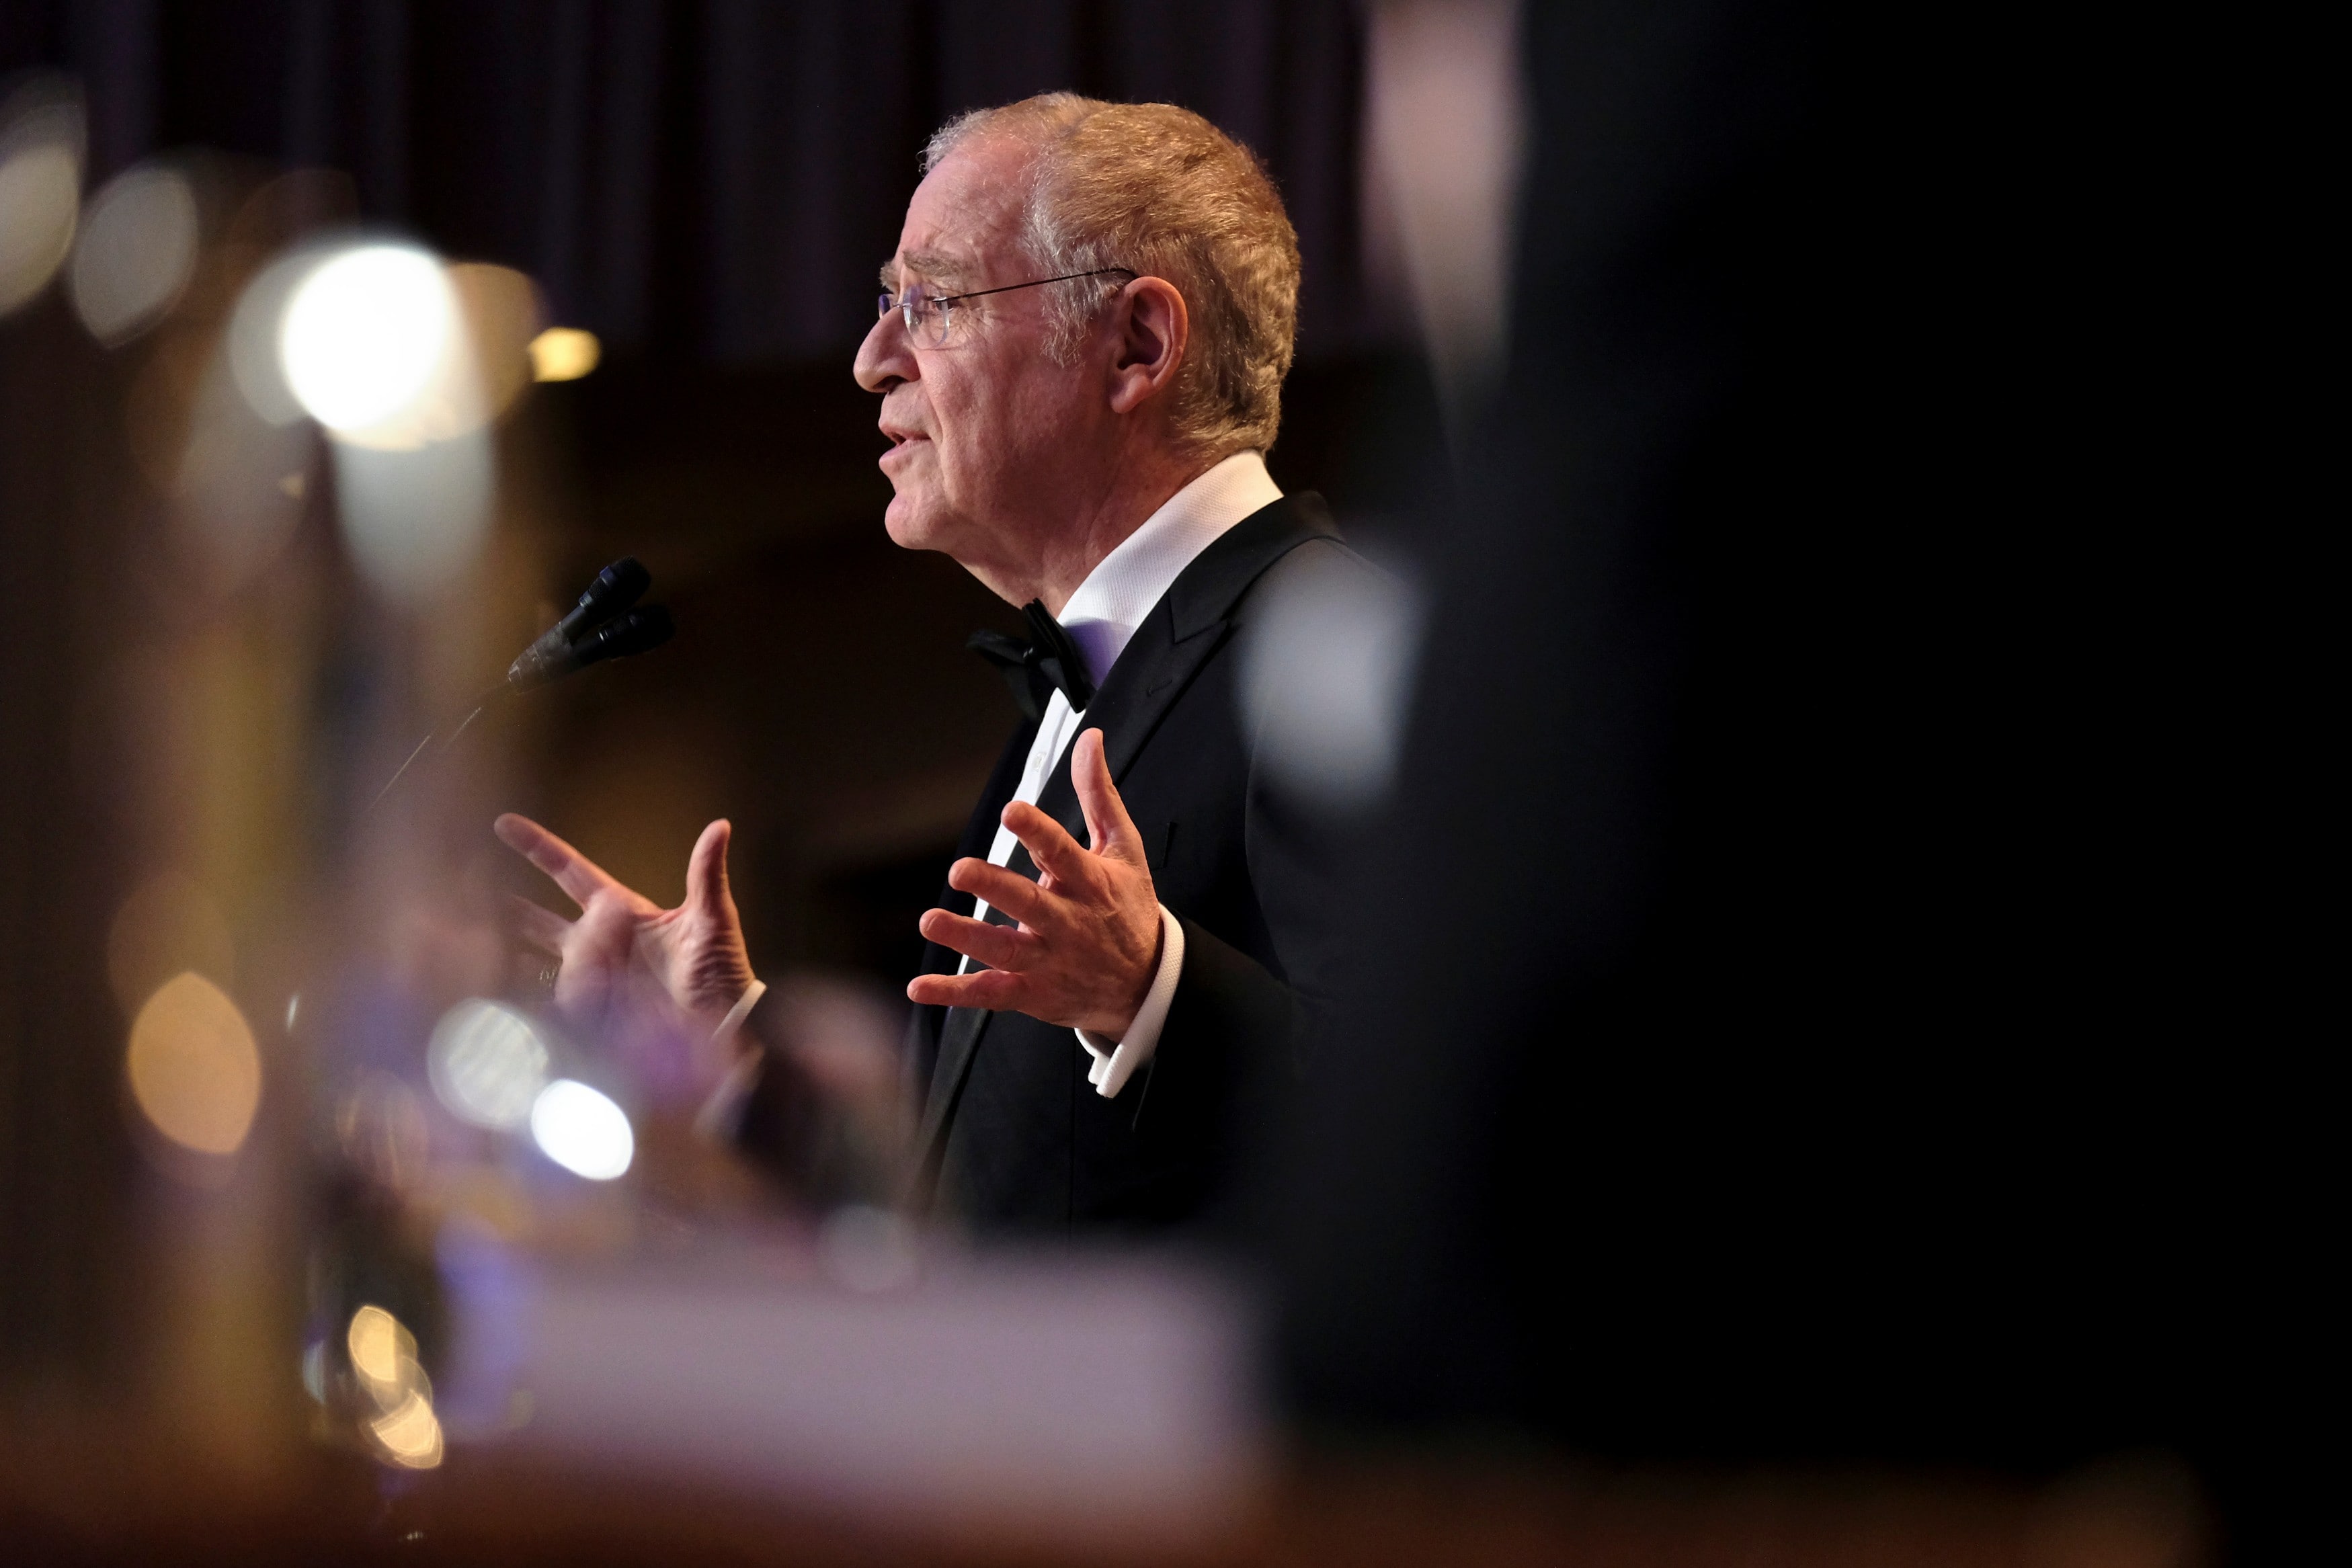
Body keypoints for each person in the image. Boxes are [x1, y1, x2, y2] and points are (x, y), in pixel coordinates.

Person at [495, 94, 1370, 1232]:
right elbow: (970, 1203)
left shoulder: (1326, 651)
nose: (873, 361)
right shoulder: (1063, 701)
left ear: (1139, 346)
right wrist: (725, 1041)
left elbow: (1473, 1119)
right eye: (885, 304)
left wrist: (1154, 989)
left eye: (935, 302)